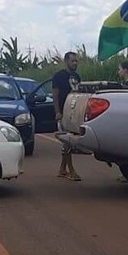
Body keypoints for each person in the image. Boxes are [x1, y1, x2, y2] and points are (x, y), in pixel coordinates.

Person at [52, 50, 82, 181]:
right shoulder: (58, 76)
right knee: (67, 141)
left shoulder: (77, 77)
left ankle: (62, 169)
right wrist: (57, 112)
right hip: (63, 113)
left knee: (69, 142)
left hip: (74, 113)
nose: (75, 63)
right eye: (72, 61)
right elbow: (55, 95)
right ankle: (71, 169)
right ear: (66, 61)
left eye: (76, 61)